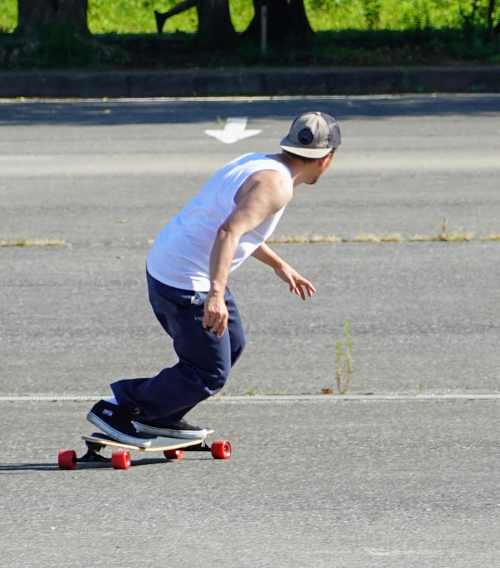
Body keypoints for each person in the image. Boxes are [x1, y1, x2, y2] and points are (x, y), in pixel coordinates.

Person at [87, 112, 342, 446]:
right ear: (326, 159)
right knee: (208, 371)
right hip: (185, 280)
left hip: (176, 264)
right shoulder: (277, 186)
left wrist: (279, 265)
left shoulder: (257, 162)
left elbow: (234, 225)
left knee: (232, 343)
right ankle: (120, 408)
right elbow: (228, 232)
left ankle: (160, 415)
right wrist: (216, 295)